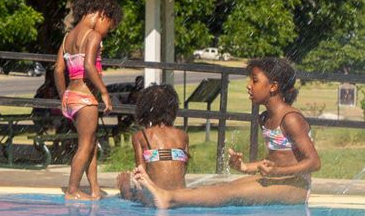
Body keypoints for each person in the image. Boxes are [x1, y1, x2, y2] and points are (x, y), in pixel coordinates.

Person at [125, 57, 316, 208]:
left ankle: (167, 198)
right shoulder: (265, 117)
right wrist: (245, 167)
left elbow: (314, 162)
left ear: (273, 86)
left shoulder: (290, 118)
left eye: (255, 81)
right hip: (277, 178)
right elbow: (278, 159)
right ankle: (169, 197)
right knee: (221, 188)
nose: (249, 85)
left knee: (230, 193)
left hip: (295, 184)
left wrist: (278, 171)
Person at [53, 0, 119, 200]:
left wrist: (64, 95)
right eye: (109, 26)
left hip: (72, 96)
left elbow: (57, 69)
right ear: (101, 14)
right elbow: (89, 66)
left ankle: (95, 189)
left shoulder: (67, 38)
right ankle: (72, 190)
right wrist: (105, 93)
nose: (106, 32)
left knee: (90, 143)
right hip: (85, 98)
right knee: (85, 145)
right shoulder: (93, 36)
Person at [113, 83, 191, 199]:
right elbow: (183, 170)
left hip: (156, 198)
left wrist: (126, 190)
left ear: (145, 110)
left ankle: (125, 191)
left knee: (128, 191)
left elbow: (141, 174)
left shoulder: (141, 136)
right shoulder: (183, 136)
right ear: (173, 109)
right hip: (180, 197)